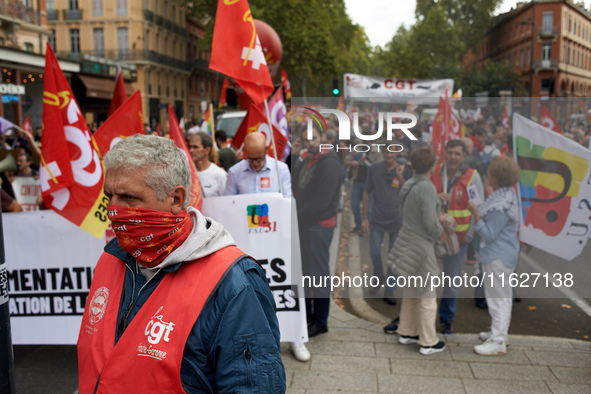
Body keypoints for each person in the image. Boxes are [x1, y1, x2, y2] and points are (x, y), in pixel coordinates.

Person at [77, 134, 285, 393]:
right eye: (110, 195)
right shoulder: (112, 256)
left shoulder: (234, 285)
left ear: (176, 199)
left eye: (129, 198)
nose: (113, 210)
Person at [386, 147, 447, 355]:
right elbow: (431, 222)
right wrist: (442, 232)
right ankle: (428, 340)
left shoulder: (409, 184)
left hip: (407, 240)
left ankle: (407, 330)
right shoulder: (427, 188)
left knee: (411, 291)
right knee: (428, 295)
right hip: (422, 245)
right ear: (433, 166)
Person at [292, 125, 342, 339]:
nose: (310, 143)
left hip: (319, 226)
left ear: (324, 137)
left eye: (313, 138)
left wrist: (295, 215)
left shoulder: (330, 162)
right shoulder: (308, 159)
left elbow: (321, 202)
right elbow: (295, 183)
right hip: (306, 224)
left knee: (319, 273)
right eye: (306, 140)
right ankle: (310, 315)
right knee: (306, 272)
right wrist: (294, 155)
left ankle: (320, 321)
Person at [467, 156, 520, 356]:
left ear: (498, 178)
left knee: (498, 297)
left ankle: (498, 340)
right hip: (504, 253)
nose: (487, 175)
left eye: (490, 172)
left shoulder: (500, 204)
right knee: (503, 296)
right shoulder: (507, 196)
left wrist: (476, 214)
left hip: (497, 255)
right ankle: (499, 333)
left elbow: (489, 234)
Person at [431, 139, 483, 334]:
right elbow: (423, 199)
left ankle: (446, 321)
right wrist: (435, 197)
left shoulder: (472, 177)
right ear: (444, 153)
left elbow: (479, 207)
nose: (453, 157)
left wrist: (469, 236)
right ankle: (421, 317)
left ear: (463, 156)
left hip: (458, 241)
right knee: (424, 279)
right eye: (450, 152)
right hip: (433, 236)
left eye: (457, 154)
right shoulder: (434, 172)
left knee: (451, 284)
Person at [361, 148, 411, 304]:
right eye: (386, 152)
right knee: (375, 253)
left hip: (397, 219)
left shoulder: (405, 169)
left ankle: (390, 288)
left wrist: (401, 175)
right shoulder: (375, 168)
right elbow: (366, 192)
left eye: (393, 152)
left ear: (397, 153)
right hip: (377, 217)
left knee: (393, 257)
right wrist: (364, 218)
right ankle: (378, 275)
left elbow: (410, 191)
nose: (389, 155)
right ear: (382, 153)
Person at [223, 133, 291, 197]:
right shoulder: (234, 172)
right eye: (250, 159)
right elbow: (229, 200)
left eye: (259, 159)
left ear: (266, 150)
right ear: (244, 151)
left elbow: (287, 200)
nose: (255, 163)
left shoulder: (281, 169)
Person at [188, 132, 227, 197]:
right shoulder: (186, 172)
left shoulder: (220, 175)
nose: (191, 150)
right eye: (190, 147)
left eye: (195, 147)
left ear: (207, 150)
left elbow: (227, 202)